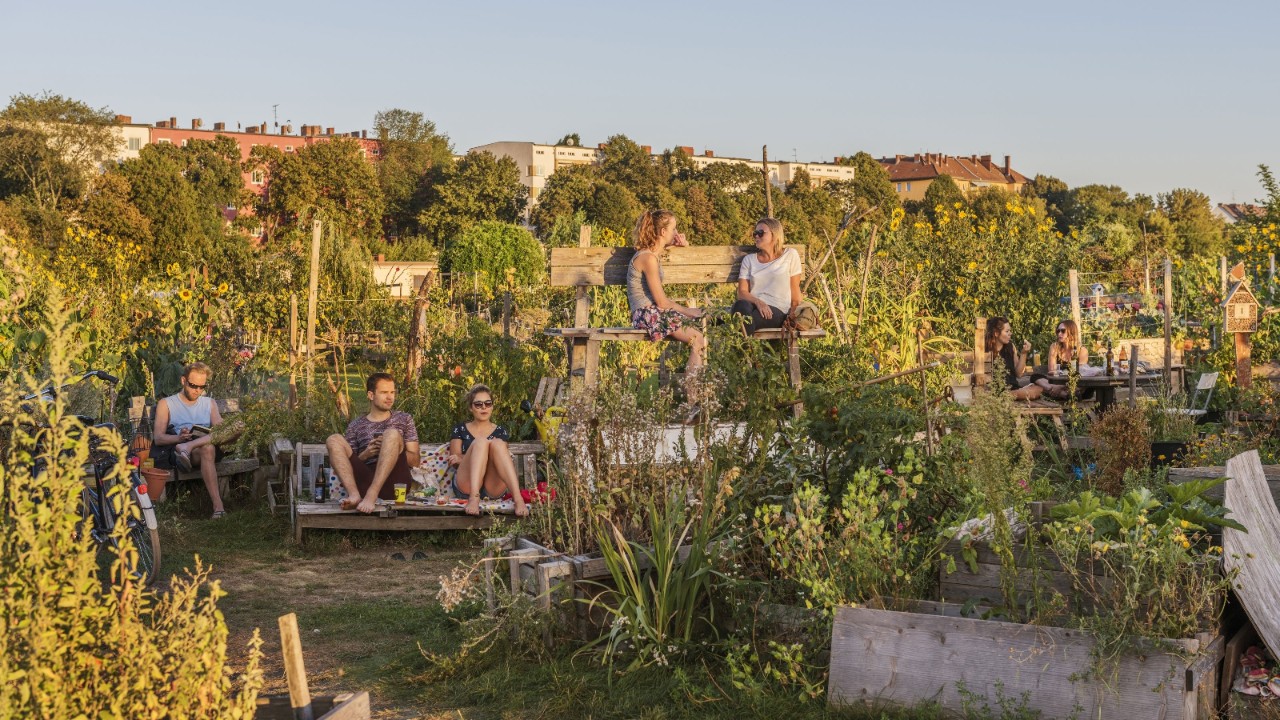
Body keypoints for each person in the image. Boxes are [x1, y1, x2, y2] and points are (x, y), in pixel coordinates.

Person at [326, 372, 420, 514]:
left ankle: (372, 494)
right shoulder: (356, 426)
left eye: (392, 392)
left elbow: (415, 461)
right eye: (384, 392)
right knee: (333, 439)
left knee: (392, 433)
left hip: (395, 483)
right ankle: (354, 496)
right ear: (371, 395)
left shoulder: (404, 419)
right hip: (364, 481)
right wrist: (365, 455)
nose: (390, 397)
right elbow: (347, 465)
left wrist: (391, 448)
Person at [627, 209, 707, 372]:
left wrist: (681, 245)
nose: (677, 232)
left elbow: (658, 247)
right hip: (647, 314)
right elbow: (662, 302)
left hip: (652, 312)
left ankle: (695, 391)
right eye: (674, 229)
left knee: (704, 326)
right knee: (699, 338)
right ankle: (694, 394)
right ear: (663, 231)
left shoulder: (651, 253)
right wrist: (688, 311)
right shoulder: (647, 258)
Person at [153, 362, 228, 518]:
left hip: (204, 446)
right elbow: (158, 438)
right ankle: (218, 506)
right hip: (181, 452)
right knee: (207, 448)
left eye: (202, 387)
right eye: (193, 385)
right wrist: (179, 438)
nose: (198, 391)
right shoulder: (166, 403)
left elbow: (222, 431)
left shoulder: (209, 403)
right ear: (183, 381)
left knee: (226, 434)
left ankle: (189, 445)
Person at [447, 384, 529, 518]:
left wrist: (463, 457)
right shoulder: (460, 429)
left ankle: (518, 499)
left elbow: (501, 460)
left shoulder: (500, 431)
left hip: (492, 486)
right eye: (478, 404)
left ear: (492, 406)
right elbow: (454, 461)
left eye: (487, 403)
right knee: (481, 442)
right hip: (467, 485)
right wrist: (463, 457)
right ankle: (474, 498)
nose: (484, 407)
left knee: (497, 443)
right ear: (470, 407)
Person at [731, 218, 804, 332]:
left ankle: (743, 346)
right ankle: (748, 348)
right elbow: (742, 293)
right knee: (740, 306)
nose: (756, 236)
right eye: (755, 233)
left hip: (778, 309)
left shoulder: (790, 255)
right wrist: (759, 302)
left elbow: (795, 290)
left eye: (760, 233)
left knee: (749, 320)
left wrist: (793, 314)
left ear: (775, 235)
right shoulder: (749, 260)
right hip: (754, 304)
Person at [985, 317, 1043, 400]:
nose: (1010, 333)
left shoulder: (1010, 347)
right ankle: (1004, 395)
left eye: (1010, 331)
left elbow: (1019, 373)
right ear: (996, 333)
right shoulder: (985, 349)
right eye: (1007, 331)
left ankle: (1007, 395)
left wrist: (1024, 353)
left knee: (1039, 389)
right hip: (995, 390)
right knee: (1033, 392)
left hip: (1013, 389)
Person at [1034, 319, 1090, 400]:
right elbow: (1052, 371)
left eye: (1063, 331)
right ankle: (1063, 394)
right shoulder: (1055, 347)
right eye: (1058, 331)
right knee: (1035, 377)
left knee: (1084, 386)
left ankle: (1057, 392)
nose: (1059, 334)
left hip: (1073, 383)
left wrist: (1060, 386)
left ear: (1071, 332)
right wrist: (1058, 386)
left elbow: (1080, 374)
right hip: (1057, 383)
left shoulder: (1082, 350)